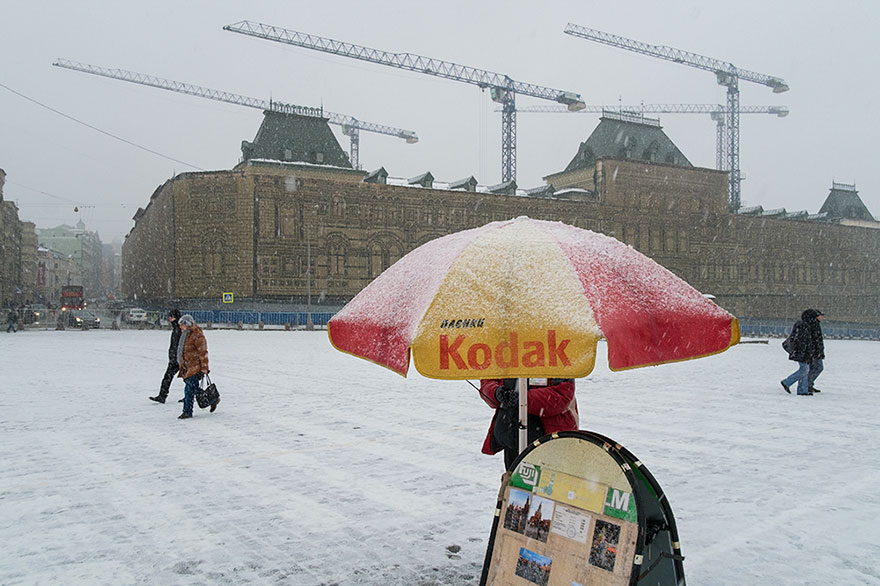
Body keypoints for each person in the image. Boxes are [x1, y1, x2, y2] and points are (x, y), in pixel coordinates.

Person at [478, 378, 579, 469]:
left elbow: (562, 395)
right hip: (510, 437)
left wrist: (522, 399)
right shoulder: (503, 357)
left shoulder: (557, 359)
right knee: (514, 485)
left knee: (547, 486)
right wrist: (496, 392)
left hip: (549, 444)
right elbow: (488, 381)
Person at [176, 314, 215, 419]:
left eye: (182, 325)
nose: (180, 327)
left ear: (187, 324)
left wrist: (204, 367)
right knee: (194, 388)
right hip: (188, 367)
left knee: (188, 390)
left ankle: (187, 412)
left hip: (196, 367)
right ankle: (213, 399)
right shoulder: (186, 334)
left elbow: (203, 352)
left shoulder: (197, 335)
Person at [781, 309, 825, 396]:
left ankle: (803, 389)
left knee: (806, 370)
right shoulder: (803, 325)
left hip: (808, 352)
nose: (821, 317)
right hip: (803, 353)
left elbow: (814, 341)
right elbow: (803, 341)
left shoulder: (812, 325)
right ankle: (788, 383)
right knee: (804, 370)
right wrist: (805, 353)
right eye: (819, 316)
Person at [149, 309, 182, 404]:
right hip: (174, 359)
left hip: (180, 359)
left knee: (187, 379)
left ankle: (193, 395)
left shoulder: (180, 329)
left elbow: (180, 345)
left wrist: (177, 356)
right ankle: (162, 396)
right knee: (168, 377)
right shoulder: (176, 328)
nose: (169, 319)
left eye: (171, 317)